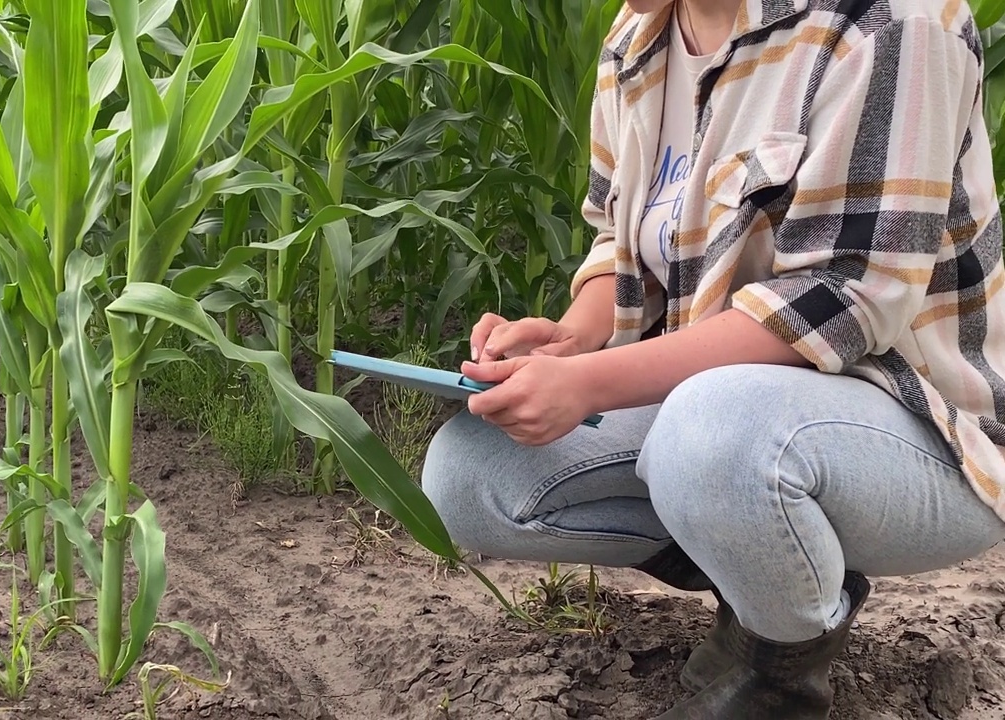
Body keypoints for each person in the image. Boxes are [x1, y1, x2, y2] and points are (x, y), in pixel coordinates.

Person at [420, 1, 1005, 718]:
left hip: (927, 432)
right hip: (730, 413)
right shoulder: (641, 35)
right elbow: (622, 238)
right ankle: (770, 564)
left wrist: (590, 382)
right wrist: (573, 337)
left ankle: (779, 670)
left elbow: (848, 297)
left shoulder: (893, 24)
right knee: (472, 473)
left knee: (708, 435)